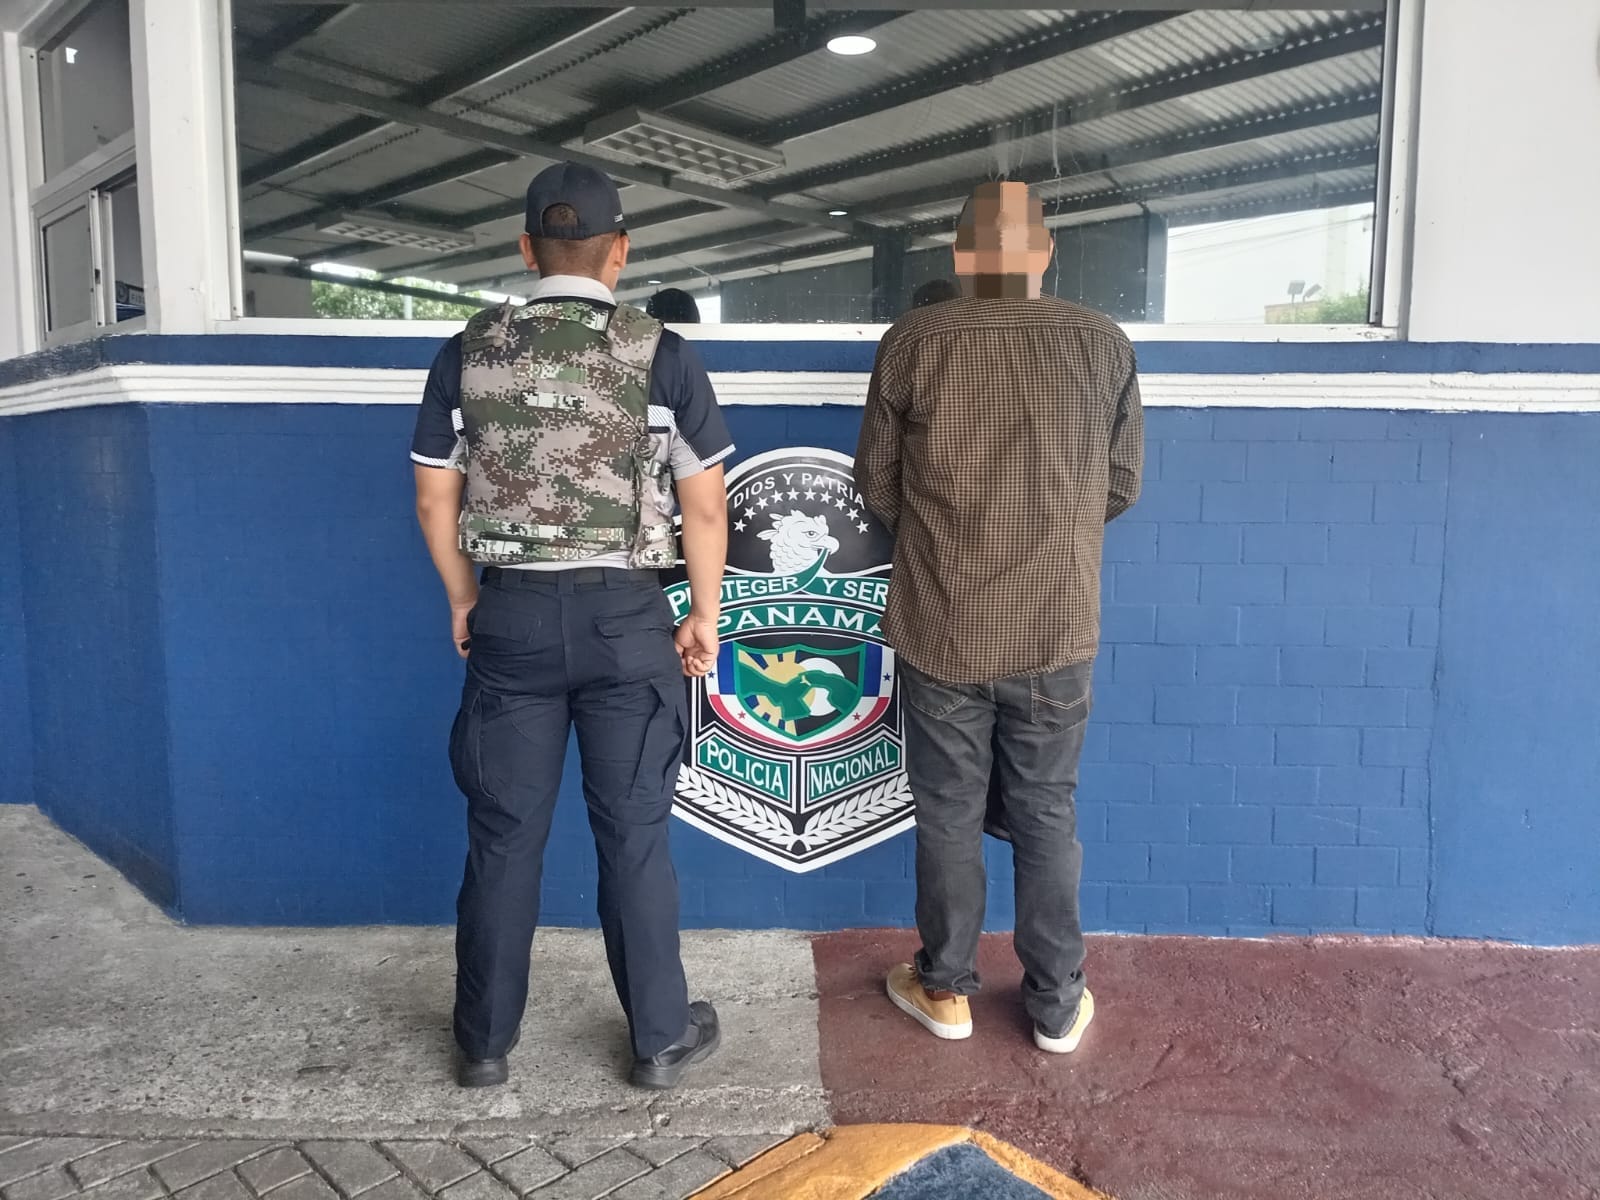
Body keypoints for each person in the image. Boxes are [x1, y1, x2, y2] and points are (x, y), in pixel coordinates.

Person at [410, 161, 732, 1090]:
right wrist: (702, 614)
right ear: (619, 251)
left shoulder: (467, 352)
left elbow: (434, 495)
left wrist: (463, 597)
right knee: (634, 834)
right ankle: (659, 1040)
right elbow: (705, 507)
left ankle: (484, 1044)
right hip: (628, 622)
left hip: (510, 616)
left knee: (504, 835)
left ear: (527, 249)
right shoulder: (662, 354)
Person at [855, 180, 1144, 1055]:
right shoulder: (1102, 342)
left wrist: (949, 538)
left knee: (946, 812)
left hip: (943, 625)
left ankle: (945, 989)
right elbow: (1122, 484)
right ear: (1046, 252)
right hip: (1055, 628)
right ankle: (1057, 1004)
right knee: (1047, 812)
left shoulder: (915, 340)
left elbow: (877, 486)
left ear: (960, 256)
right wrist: (1052, 535)